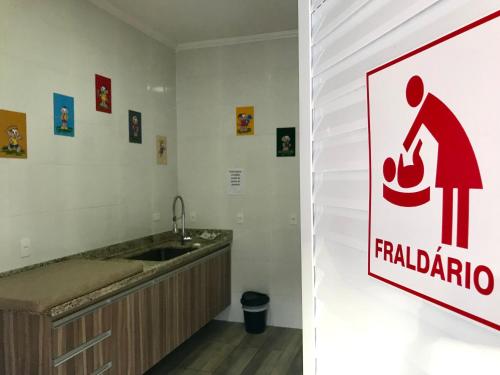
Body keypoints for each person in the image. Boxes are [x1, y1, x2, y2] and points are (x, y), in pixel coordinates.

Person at [403, 75, 482, 249]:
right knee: (455, 195)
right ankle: (450, 242)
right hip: (453, 152)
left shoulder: (428, 106)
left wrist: (408, 154)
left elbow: (410, 139)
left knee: (456, 195)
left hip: (455, 153)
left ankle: (455, 243)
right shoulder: (431, 105)